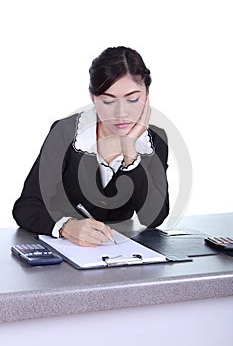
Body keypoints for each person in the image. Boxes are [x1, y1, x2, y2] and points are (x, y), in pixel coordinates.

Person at [12, 46, 169, 247]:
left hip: (120, 257)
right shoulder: (66, 132)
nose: (121, 113)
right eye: (108, 101)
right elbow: (26, 206)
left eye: (132, 99)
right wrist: (65, 227)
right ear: (92, 97)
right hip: (65, 255)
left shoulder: (154, 140)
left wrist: (130, 152)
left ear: (147, 95)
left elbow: (154, 218)